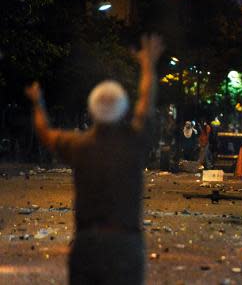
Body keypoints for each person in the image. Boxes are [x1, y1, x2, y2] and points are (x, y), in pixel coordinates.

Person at [25, 34, 164, 284]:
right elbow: (146, 103)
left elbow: (45, 133)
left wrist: (37, 102)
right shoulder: (134, 142)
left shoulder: (79, 145)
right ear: (123, 109)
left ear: (91, 108)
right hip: (125, 243)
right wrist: (148, 65)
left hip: (87, 244)